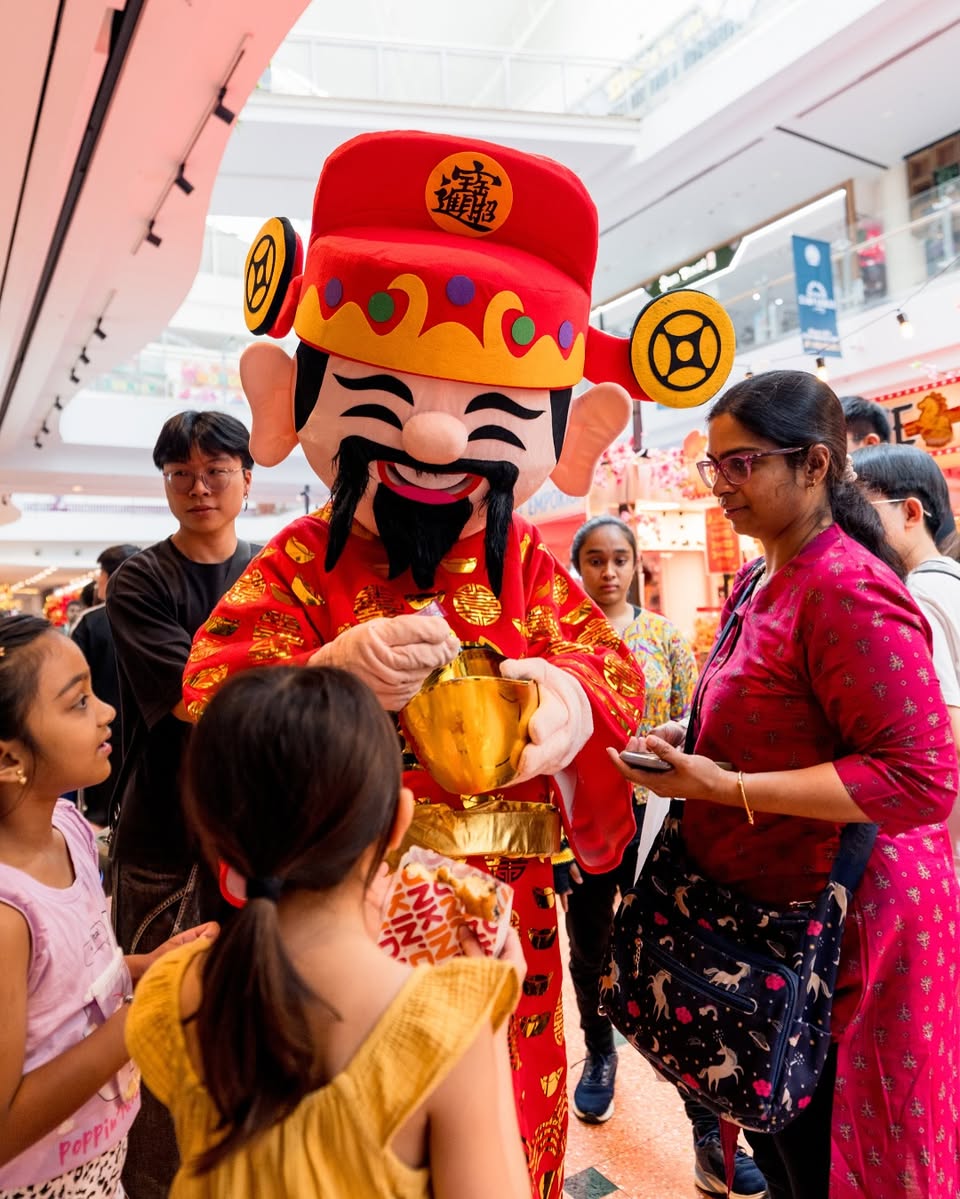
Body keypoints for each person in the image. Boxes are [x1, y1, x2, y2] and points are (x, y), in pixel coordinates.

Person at [179, 130, 735, 1198]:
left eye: (485, 410)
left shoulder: (528, 563)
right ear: (291, 402)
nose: (436, 438)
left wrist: (567, 704)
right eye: (390, 402)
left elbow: (610, 669)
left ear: (571, 439)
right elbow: (213, 691)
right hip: (335, 913)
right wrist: (331, 669)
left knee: (501, 1123)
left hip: (505, 917)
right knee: (342, 1145)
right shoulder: (303, 564)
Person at [614, 370, 960, 1198]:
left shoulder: (846, 588)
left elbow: (920, 778)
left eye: (743, 464)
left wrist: (727, 787)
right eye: (714, 466)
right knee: (780, 1130)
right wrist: (687, 742)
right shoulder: (760, 578)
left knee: (831, 1144)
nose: (722, 485)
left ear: (814, 465)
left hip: (841, 923)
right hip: (768, 912)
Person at [126, 664, 529, 1199]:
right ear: (397, 823)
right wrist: (489, 1027)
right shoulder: (447, 1028)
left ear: (214, 837)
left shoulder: (171, 988)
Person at [563, 517, 765, 1199]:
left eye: (620, 558)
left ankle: (705, 1126)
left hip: (658, 821)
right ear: (577, 567)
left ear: (636, 565)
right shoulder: (559, 642)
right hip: (583, 826)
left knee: (676, 964)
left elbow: (694, 723)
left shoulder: (668, 640)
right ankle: (597, 1053)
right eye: (594, 560)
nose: (608, 571)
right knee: (589, 948)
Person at [0, 614, 215, 1196]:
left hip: (101, 1163)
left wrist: (142, 968)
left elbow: (66, 986)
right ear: (7, 758)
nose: (108, 712)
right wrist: (141, 1016)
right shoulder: (7, 913)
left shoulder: (69, 829)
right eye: (77, 703)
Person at [106, 410, 258, 1199]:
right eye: (181, 473)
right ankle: (156, 1183)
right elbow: (201, 694)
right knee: (159, 1017)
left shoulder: (273, 570)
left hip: (259, 836)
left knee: (243, 1010)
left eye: (216, 470)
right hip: (164, 836)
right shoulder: (142, 580)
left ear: (247, 479)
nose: (199, 486)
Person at [853, 443, 960, 872]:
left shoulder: (917, 597)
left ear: (912, 513)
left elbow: (947, 727)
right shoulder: (950, 582)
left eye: (862, 513)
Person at [71, 544, 141, 825]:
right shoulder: (162, 617)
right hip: (151, 732)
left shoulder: (92, 621)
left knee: (101, 811)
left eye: (100, 574)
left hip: (102, 732)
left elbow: (72, 681)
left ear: (111, 577)